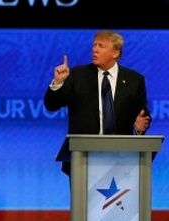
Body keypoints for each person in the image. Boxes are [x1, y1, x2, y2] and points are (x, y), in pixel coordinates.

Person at [44, 30, 151, 174]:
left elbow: (142, 115)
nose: (95, 49)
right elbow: (51, 105)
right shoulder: (77, 76)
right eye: (94, 45)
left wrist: (139, 127)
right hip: (82, 159)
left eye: (101, 46)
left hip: (120, 159)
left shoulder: (134, 80)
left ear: (115, 53)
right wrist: (58, 82)